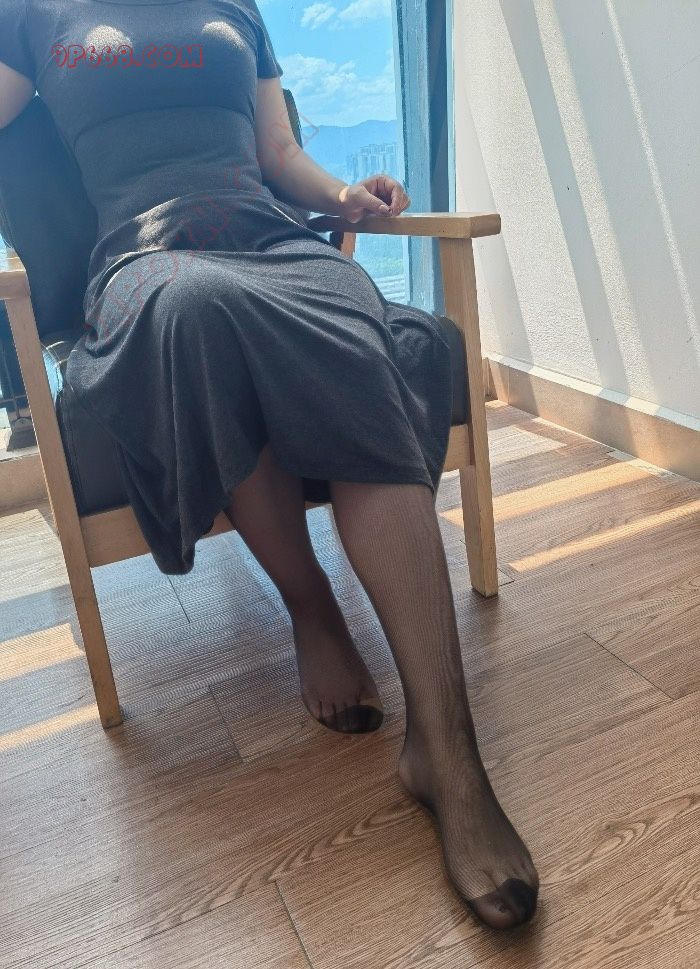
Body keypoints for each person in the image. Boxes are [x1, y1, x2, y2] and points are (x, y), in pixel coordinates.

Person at [0, 0, 539, 929]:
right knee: (197, 311)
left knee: (352, 317)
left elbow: (278, 151)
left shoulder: (235, 8)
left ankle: (448, 754)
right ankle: (311, 607)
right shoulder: (31, 12)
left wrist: (345, 199)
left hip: (273, 239)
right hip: (143, 261)